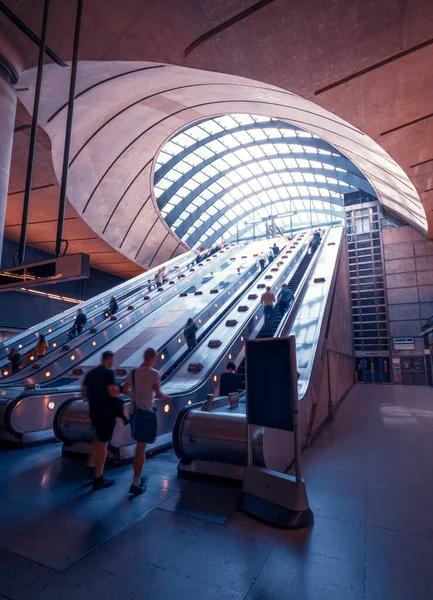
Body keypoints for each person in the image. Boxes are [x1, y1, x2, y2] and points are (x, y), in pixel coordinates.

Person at [123, 347, 171, 495]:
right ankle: (135, 482)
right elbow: (158, 393)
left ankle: (137, 477)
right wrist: (166, 397)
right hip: (146, 413)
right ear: (153, 358)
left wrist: (135, 396)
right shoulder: (154, 374)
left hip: (134, 412)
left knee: (139, 446)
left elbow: (124, 390)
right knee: (141, 448)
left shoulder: (134, 372)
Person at [82, 350, 123, 490]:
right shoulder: (109, 373)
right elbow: (112, 392)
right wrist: (119, 390)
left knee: (99, 438)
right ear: (109, 359)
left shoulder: (91, 373)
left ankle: (90, 463)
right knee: (103, 444)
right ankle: (99, 478)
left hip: (94, 411)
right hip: (106, 413)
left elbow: (83, 393)